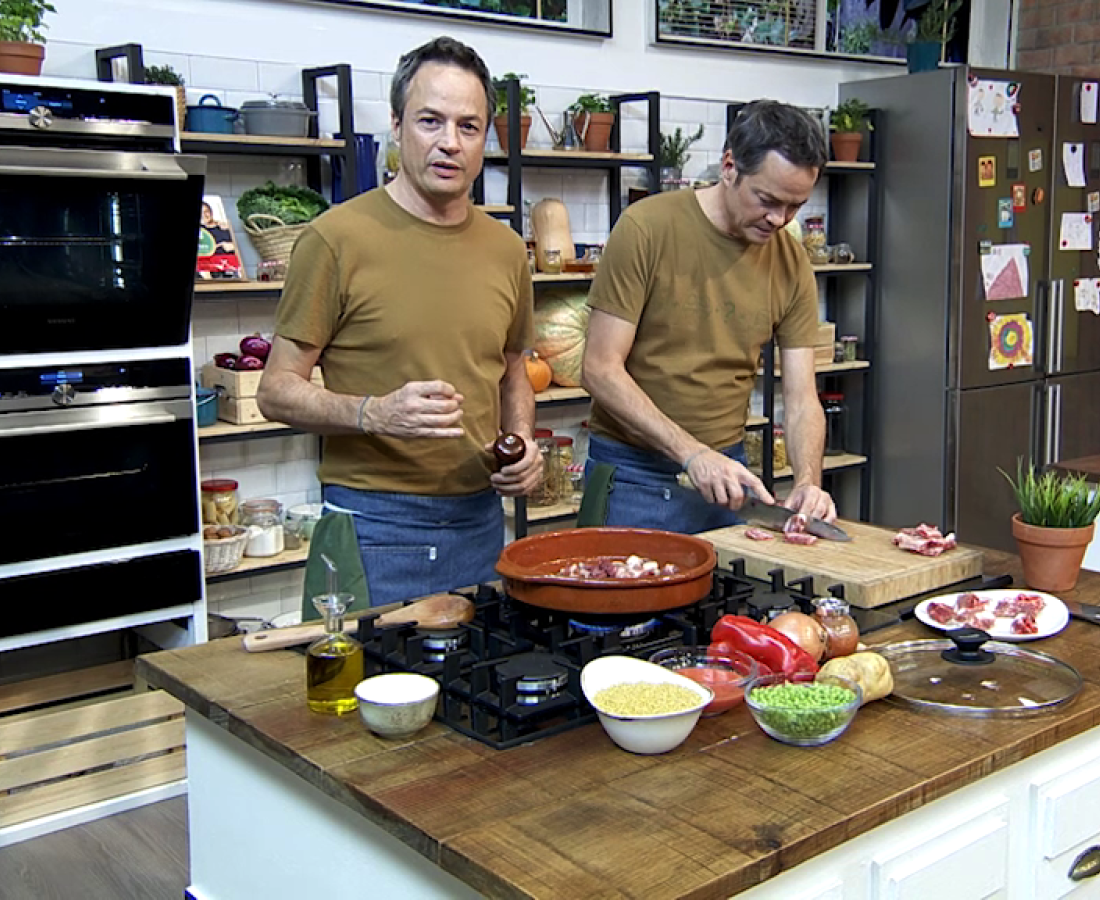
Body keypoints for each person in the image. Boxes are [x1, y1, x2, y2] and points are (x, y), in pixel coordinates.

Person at [257, 36, 541, 605]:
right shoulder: (336, 239)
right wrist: (373, 412)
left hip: (479, 520)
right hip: (374, 526)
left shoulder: (507, 249)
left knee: (476, 688)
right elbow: (275, 391)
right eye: (430, 121)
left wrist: (523, 445)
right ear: (396, 125)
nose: (449, 144)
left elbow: (513, 372)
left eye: (468, 126)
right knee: (374, 690)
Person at [581, 99, 836, 534]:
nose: (779, 219)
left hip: (727, 479)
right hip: (631, 478)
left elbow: (801, 399)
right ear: (730, 166)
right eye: (767, 200)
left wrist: (809, 480)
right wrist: (691, 453)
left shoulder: (791, 262)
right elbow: (600, 369)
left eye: (795, 206)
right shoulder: (647, 228)